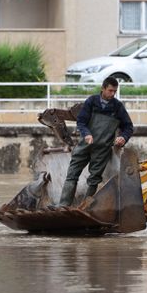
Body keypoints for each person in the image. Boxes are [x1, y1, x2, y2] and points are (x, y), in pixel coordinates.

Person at [58, 76, 134, 206]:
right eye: (110, 90)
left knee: (94, 180)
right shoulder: (91, 102)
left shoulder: (117, 107)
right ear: (103, 89)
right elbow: (81, 122)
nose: (112, 94)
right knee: (72, 174)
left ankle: (86, 207)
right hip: (84, 146)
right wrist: (86, 134)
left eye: (114, 91)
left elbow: (128, 127)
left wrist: (123, 137)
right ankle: (63, 205)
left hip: (102, 149)